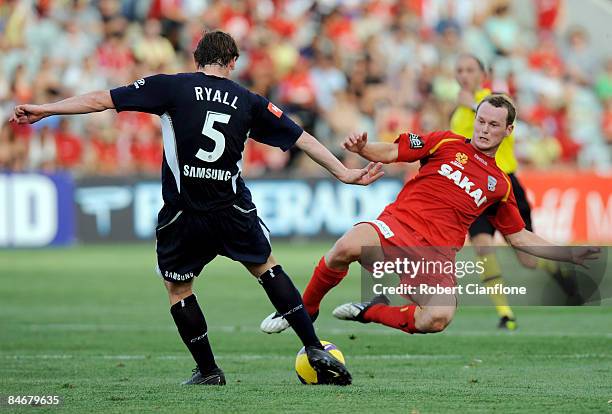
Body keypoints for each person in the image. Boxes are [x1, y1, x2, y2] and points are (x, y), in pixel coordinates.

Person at [10, 30, 384, 386]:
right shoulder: (248, 100)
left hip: (183, 212)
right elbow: (301, 138)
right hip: (232, 208)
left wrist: (46, 109)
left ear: (196, 58)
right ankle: (314, 346)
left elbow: (100, 100)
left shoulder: (171, 86)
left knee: (178, 287)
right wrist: (343, 173)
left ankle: (208, 370)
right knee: (266, 268)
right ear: (233, 61)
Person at [260, 94, 599, 337]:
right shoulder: (445, 142)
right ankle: (304, 310)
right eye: (481, 121)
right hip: (397, 225)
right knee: (344, 247)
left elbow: (520, 237)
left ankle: (372, 311)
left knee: (437, 318)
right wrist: (363, 148)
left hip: (435, 255)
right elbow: (394, 151)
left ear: (508, 131)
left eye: (493, 125)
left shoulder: (500, 185)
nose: (484, 129)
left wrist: (567, 252)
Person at [451, 53, 582, 330]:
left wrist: (475, 105)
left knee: (528, 260)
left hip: (506, 186)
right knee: (483, 247)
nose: (464, 75)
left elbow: (509, 117)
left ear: (482, 74)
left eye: (469, 69)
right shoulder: (456, 117)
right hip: (476, 192)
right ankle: (505, 314)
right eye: (459, 70)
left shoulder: (496, 99)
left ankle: (558, 271)